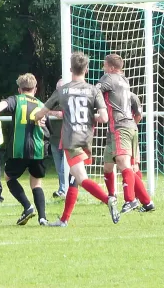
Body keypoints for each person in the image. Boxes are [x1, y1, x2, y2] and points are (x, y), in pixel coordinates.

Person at [34, 52, 120, 227]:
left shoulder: (62, 90)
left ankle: (108, 199)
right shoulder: (93, 90)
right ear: (86, 69)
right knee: (73, 178)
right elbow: (103, 118)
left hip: (71, 139)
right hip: (87, 138)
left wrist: (35, 117)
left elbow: (41, 112)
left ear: (71, 69)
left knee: (80, 178)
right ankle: (64, 220)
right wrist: (89, 116)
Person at [0, 74, 48, 226]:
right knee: (36, 183)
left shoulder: (17, 99)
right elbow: (47, 125)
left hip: (19, 149)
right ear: (35, 89)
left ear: (19, 89)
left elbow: (3, 104)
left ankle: (27, 207)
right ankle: (42, 218)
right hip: (38, 149)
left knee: (9, 177)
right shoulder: (41, 104)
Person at [103, 90, 155, 212]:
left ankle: (136, 198)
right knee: (107, 166)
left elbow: (138, 115)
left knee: (132, 167)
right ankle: (112, 195)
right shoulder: (108, 97)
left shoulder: (132, 97)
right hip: (112, 135)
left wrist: (127, 127)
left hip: (125, 133)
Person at [45, 78, 67, 199]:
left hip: (68, 139)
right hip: (55, 139)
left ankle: (65, 190)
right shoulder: (53, 99)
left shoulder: (72, 99)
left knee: (65, 168)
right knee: (59, 169)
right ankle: (62, 189)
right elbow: (45, 110)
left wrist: (61, 114)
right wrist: (54, 113)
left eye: (61, 89)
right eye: (58, 89)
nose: (59, 92)